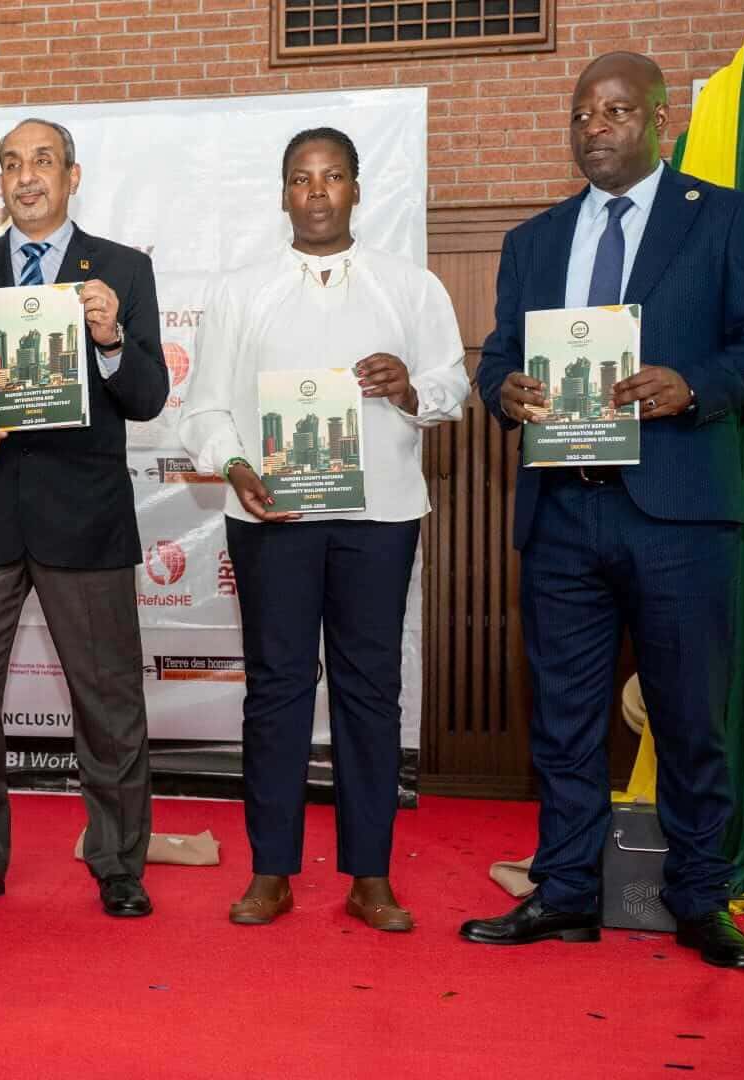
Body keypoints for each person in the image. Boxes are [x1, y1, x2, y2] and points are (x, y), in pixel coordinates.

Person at [463, 52, 744, 968]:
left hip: (677, 513)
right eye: (582, 115)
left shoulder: (720, 217)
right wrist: (504, 392)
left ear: (659, 120)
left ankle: (699, 900)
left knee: (689, 717)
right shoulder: (533, 240)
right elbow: (498, 356)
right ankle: (566, 893)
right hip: (562, 513)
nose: (595, 128)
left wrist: (695, 385)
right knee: (563, 722)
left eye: (614, 111)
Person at [178, 128, 470, 932]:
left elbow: (452, 383)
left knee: (369, 689)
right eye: (302, 178)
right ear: (283, 194)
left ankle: (370, 875)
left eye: (332, 176)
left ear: (356, 190)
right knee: (276, 688)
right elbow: (203, 409)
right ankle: (270, 871)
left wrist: (410, 388)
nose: (316, 191)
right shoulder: (241, 291)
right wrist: (236, 465)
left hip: (381, 517)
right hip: (273, 517)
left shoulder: (410, 287)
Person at [0, 117, 168, 917]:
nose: (26, 177)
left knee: (109, 702)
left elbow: (149, 396)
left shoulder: (121, 270)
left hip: (85, 520)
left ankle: (117, 862)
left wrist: (111, 338)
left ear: (71, 176)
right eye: (13, 164)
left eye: (43, 162)